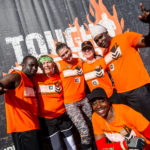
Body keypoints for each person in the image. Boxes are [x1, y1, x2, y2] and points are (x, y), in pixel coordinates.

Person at [90, 3, 150, 120]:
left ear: (106, 32)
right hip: (122, 95)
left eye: (101, 36)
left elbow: (148, 41)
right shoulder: (105, 54)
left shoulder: (125, 38)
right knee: (138, 126)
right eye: (97, 40)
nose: (100, 41)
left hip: (138, 90)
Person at [32, 55, 76, 150]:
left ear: (53, 64)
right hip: (47, 120)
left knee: (72, 146)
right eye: (43, 63)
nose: (46, 65)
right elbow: (22, 76)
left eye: (48, 62)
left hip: (62, 116)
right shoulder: (36, 78)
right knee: (57, 148)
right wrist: (14, 71)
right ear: (40, 67)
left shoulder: (60, 77)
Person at [55, 42, 93, 150]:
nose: (66, 55)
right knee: (84, 130)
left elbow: (93, 60)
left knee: (93, 126)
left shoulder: (79, 61)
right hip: (71, 103)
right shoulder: (59, 64)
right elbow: (43, 68)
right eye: (63, 55)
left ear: (70, 49)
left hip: (84, 99)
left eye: (67, 52)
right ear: (60, 57)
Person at [0, 56, 42, 150]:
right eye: (31, 65)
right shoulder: (17, 75)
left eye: (36, 66)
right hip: (23, 128)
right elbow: (3, 83)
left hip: (33, 126)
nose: (34, 68)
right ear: (23, 65)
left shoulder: (30, 81)